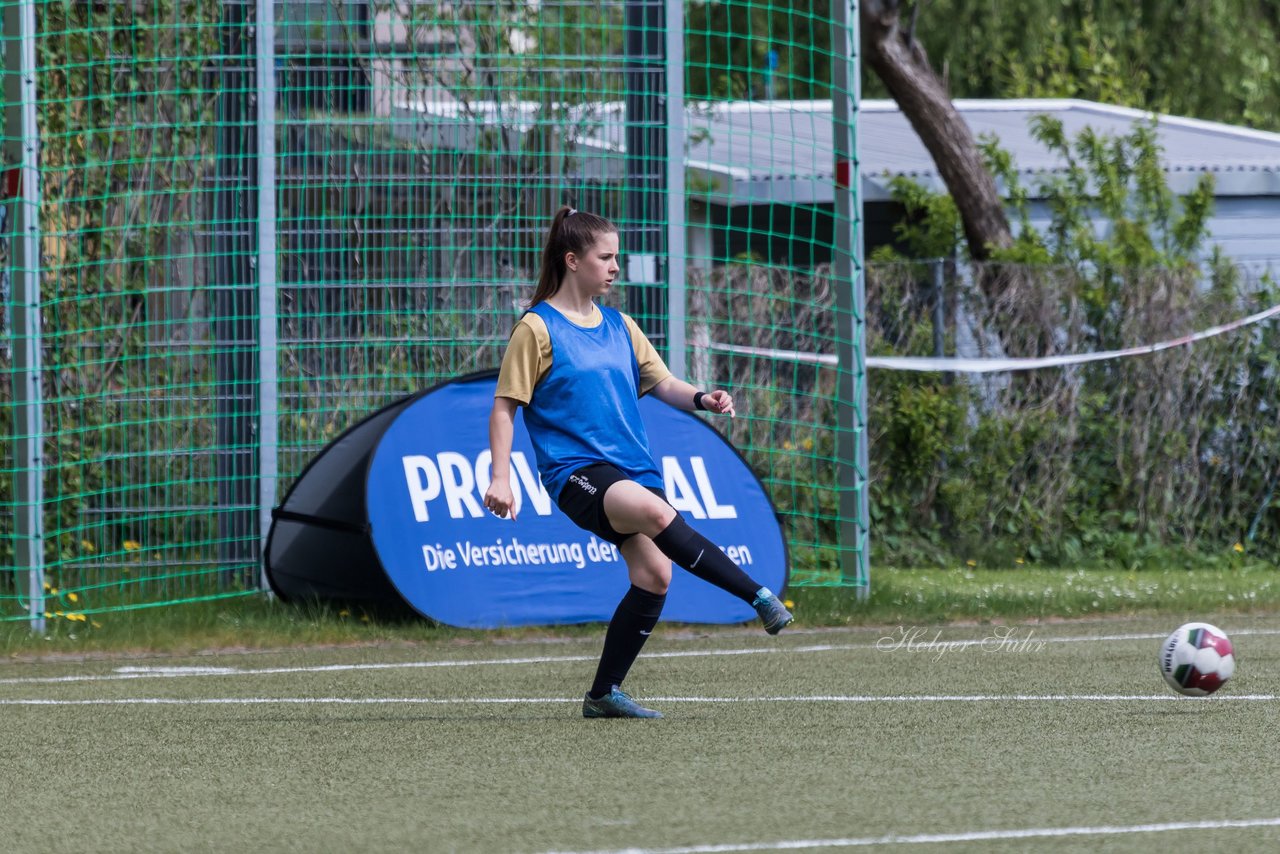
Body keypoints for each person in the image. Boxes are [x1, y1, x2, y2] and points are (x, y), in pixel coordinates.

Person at [483, 206, 792, 720]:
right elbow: (504, 406)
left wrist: (703, 398)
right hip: (575, 472)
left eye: (616, 258)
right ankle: (757, 595)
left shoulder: (620, 325)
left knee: (654, 574)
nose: (614, 267)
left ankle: (603, 694)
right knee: (653, 514)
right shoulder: (535, 329)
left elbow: (664, 383)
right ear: (572, 260)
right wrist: (501, 478)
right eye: (605, 257)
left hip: (632, 467)